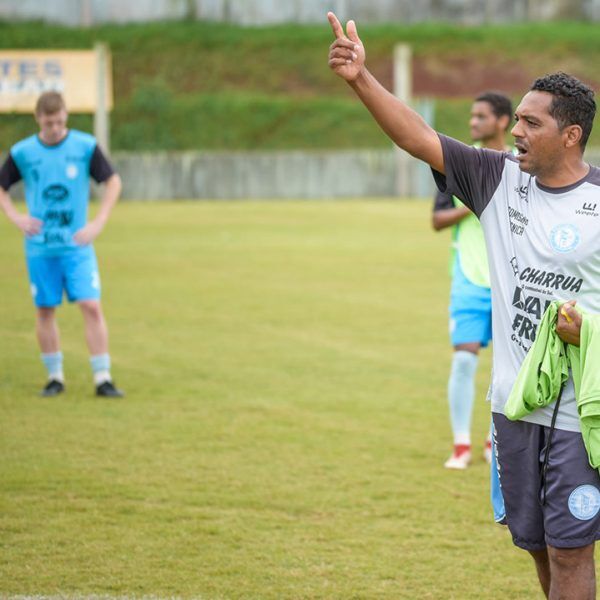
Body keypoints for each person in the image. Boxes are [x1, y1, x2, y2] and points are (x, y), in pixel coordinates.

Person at [328, 12, 599, 599]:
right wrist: (360, 79)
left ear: (571, 134)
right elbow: (416, 137)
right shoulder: (495, 178)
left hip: (581, 414)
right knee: (535, 545)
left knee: (572, 550)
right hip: (512, 406)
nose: (517, 131)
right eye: (517, 120)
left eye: (531, 122)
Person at [0, 91, 124, 398]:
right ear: (38, 119)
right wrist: (16, 217)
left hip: (77, 246)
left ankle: (102, 378)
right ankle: (55, 377)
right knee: (45, 309)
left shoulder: (84, 147)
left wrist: (98, 221)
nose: (55, 128)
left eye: (59, 121)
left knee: (91, 306)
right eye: (48, 122)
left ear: (66, 115)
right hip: (41, 248)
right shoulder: (24, 152)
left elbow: (113, 181)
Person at [432, 92, 512, 470]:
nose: (473, 123)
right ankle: (461, 444)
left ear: (504, 121)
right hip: (468, 276)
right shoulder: (461, 166)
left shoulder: (519, 164)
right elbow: (437, 219)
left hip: (509, 281)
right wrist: (474, 202)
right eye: (471, 116)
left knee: (507, 367)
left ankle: (491, 440)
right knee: (464, 361)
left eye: (481, 116)